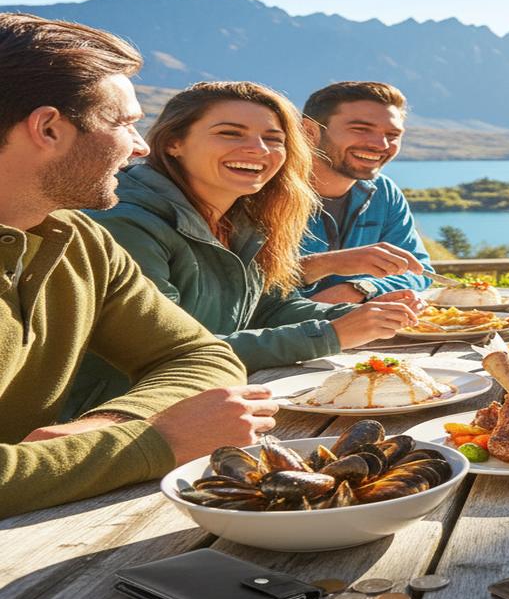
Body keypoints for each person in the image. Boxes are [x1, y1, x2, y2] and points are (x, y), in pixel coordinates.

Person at [0, 13, 277, 517]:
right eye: (124, 122)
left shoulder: (78, 240)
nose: (141, 146)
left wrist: (100, 426)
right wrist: (152, 442)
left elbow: (203, 357)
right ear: (48, 128)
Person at [65, 82, 422, 416]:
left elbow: (266, 308)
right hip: (121, 418)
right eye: (230, 133)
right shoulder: (126, 224)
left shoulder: (244, 218)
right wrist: (332, 334)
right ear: (174, 142)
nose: (259, 150)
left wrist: (359, 318)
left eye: (273, 138)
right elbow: (172, 352)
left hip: (205, 403)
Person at [298, 81, 433, 304]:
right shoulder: (264, 192)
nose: (380, 145)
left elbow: (419, 271)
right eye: (361, 129)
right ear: (309, 131)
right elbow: (245, 285)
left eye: (392, 134)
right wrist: (324, 264)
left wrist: (361, 287)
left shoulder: (384, 192)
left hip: (361, 332)